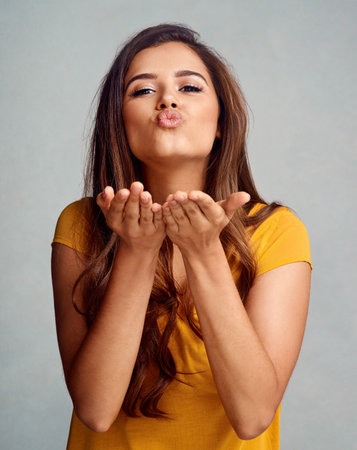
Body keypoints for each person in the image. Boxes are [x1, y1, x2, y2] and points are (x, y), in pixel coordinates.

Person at [51, 23, 312, 449]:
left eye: (189, 88)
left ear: (221, 124)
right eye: (142, 91)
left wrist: (204, 251)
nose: (167, 99)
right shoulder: (80, 225)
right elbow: (95, 410)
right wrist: (136, 252)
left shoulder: (277, 231)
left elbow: (253, 416)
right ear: (121, 125)